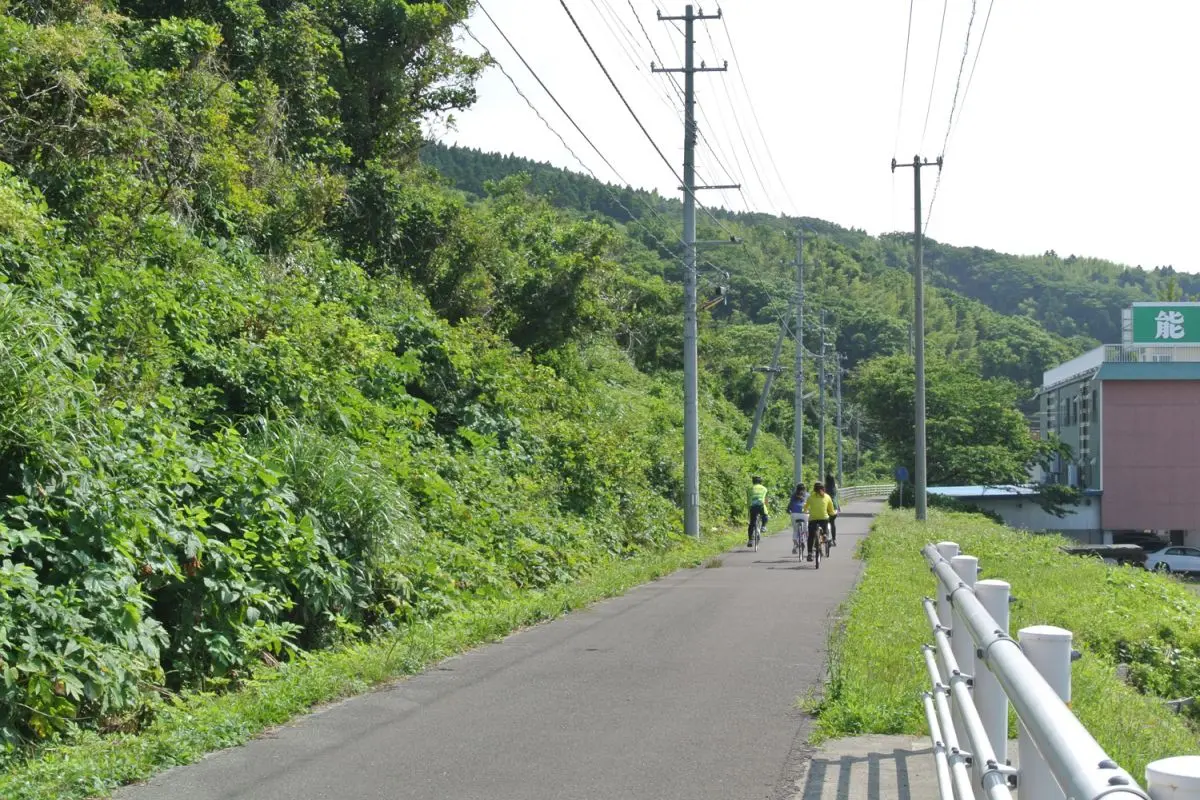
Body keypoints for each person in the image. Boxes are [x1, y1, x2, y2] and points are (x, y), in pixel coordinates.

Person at [802, 482, 835, 561]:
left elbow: (805, 507)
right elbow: (831, 510)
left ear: (814, 489)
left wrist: (805, 511)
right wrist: (832, 513)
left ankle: (810, 554)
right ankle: (825, 536)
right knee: (825, 526)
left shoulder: (810, 497)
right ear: (823, 488)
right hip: (823, 518)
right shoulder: (827, 496)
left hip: (813, 519)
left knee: (811, 536)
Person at [746, 476, 769, 547]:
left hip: (752, 506)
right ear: (761, 482)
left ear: (753, 482)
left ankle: (750, 540)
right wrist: (766, 507)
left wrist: (748, 509)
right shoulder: (764, 489)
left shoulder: (749, 489)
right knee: (765, 515)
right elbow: (766, 500)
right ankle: (763, 526)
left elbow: (748, 499)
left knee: (752, 523)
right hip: (761, 505)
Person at [787, 484, 808, 555]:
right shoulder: (807, 495)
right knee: (806, 530)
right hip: (805, 514)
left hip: (794, 514)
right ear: (805, 489)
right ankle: (805, 540)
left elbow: (790, 505)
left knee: (795, 530)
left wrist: (788, 510)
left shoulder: (793, 495)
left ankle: (796, 544)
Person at [825, 472, 841, 546]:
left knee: (824, 522)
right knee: (832, 523)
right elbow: (836, 497)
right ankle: (834, 540)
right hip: (834, 506)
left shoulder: (824, 487)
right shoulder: (835, 486)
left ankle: (825, 537)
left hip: (826, 506)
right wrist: (838, 507)